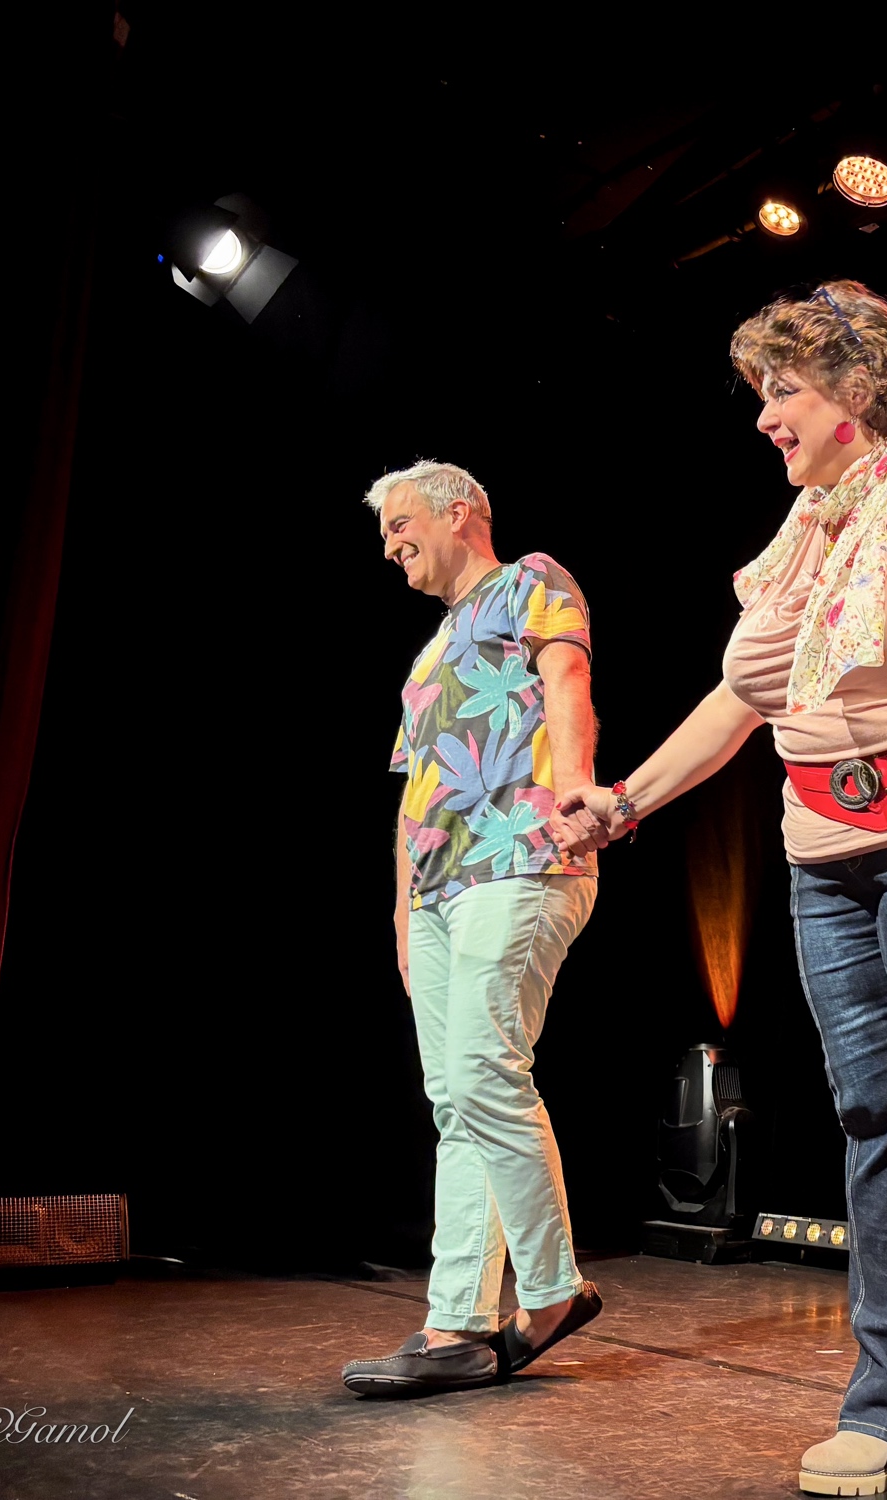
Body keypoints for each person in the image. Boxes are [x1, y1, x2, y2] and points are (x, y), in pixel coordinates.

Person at [564, 282, 887, 1500]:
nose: (764, 418)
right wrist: (623, 801)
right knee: (874, 1119)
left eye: (783, 391)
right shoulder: (807, 531)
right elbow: (743, 701)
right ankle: (885, 1403)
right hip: (830, 847)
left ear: (857, 390)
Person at [340, 460, 610, 1397]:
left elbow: (566, 674)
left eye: (400, 524)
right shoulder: (430, 654)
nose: (390, 546)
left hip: (519, 857)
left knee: (487, 1074)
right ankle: (453, 1323)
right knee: (455, 1100)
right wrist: (402, 909)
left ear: (457, 513)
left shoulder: (528, 579)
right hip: (439, 889)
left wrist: (575, 788)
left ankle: (551, 1290)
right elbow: (415, 791)